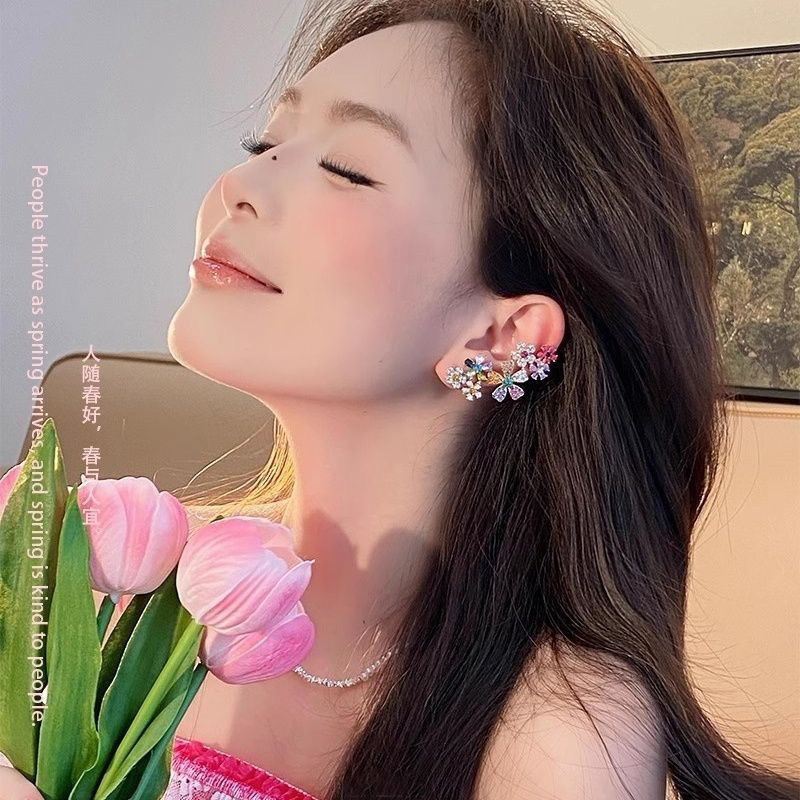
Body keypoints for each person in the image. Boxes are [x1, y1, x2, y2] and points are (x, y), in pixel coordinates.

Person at [3, 1, 798, 798]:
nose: (238, 185)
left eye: (347, 168)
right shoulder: (126, 582)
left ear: (500, 338)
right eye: (265, 145)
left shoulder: (558, 731)